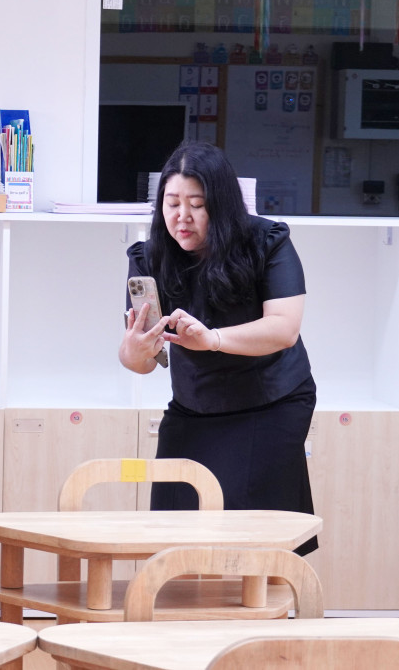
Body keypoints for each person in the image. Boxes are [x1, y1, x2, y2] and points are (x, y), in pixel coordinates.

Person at [119, 141, 317, 555]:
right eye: (172, 203)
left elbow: (284, 328)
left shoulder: (267, 241)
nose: (182, 216)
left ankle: (265, 595)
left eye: (197, 204)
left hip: (270, 401)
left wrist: (213, 339)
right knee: (172, 528)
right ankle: (185, 596)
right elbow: (141, 362)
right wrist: (135, 350)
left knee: (254, 536)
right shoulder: (150, 258)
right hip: (194, 405)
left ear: (222, 204)